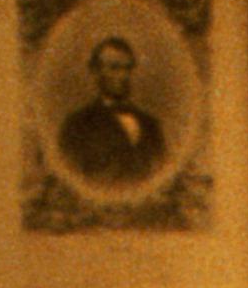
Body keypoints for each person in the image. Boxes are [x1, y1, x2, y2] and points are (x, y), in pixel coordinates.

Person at [55, 34, 168, 187]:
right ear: (96, 72)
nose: (123, 76)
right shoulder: (77, 126)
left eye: (127, 68)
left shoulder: (151, 125)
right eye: (114, 68)